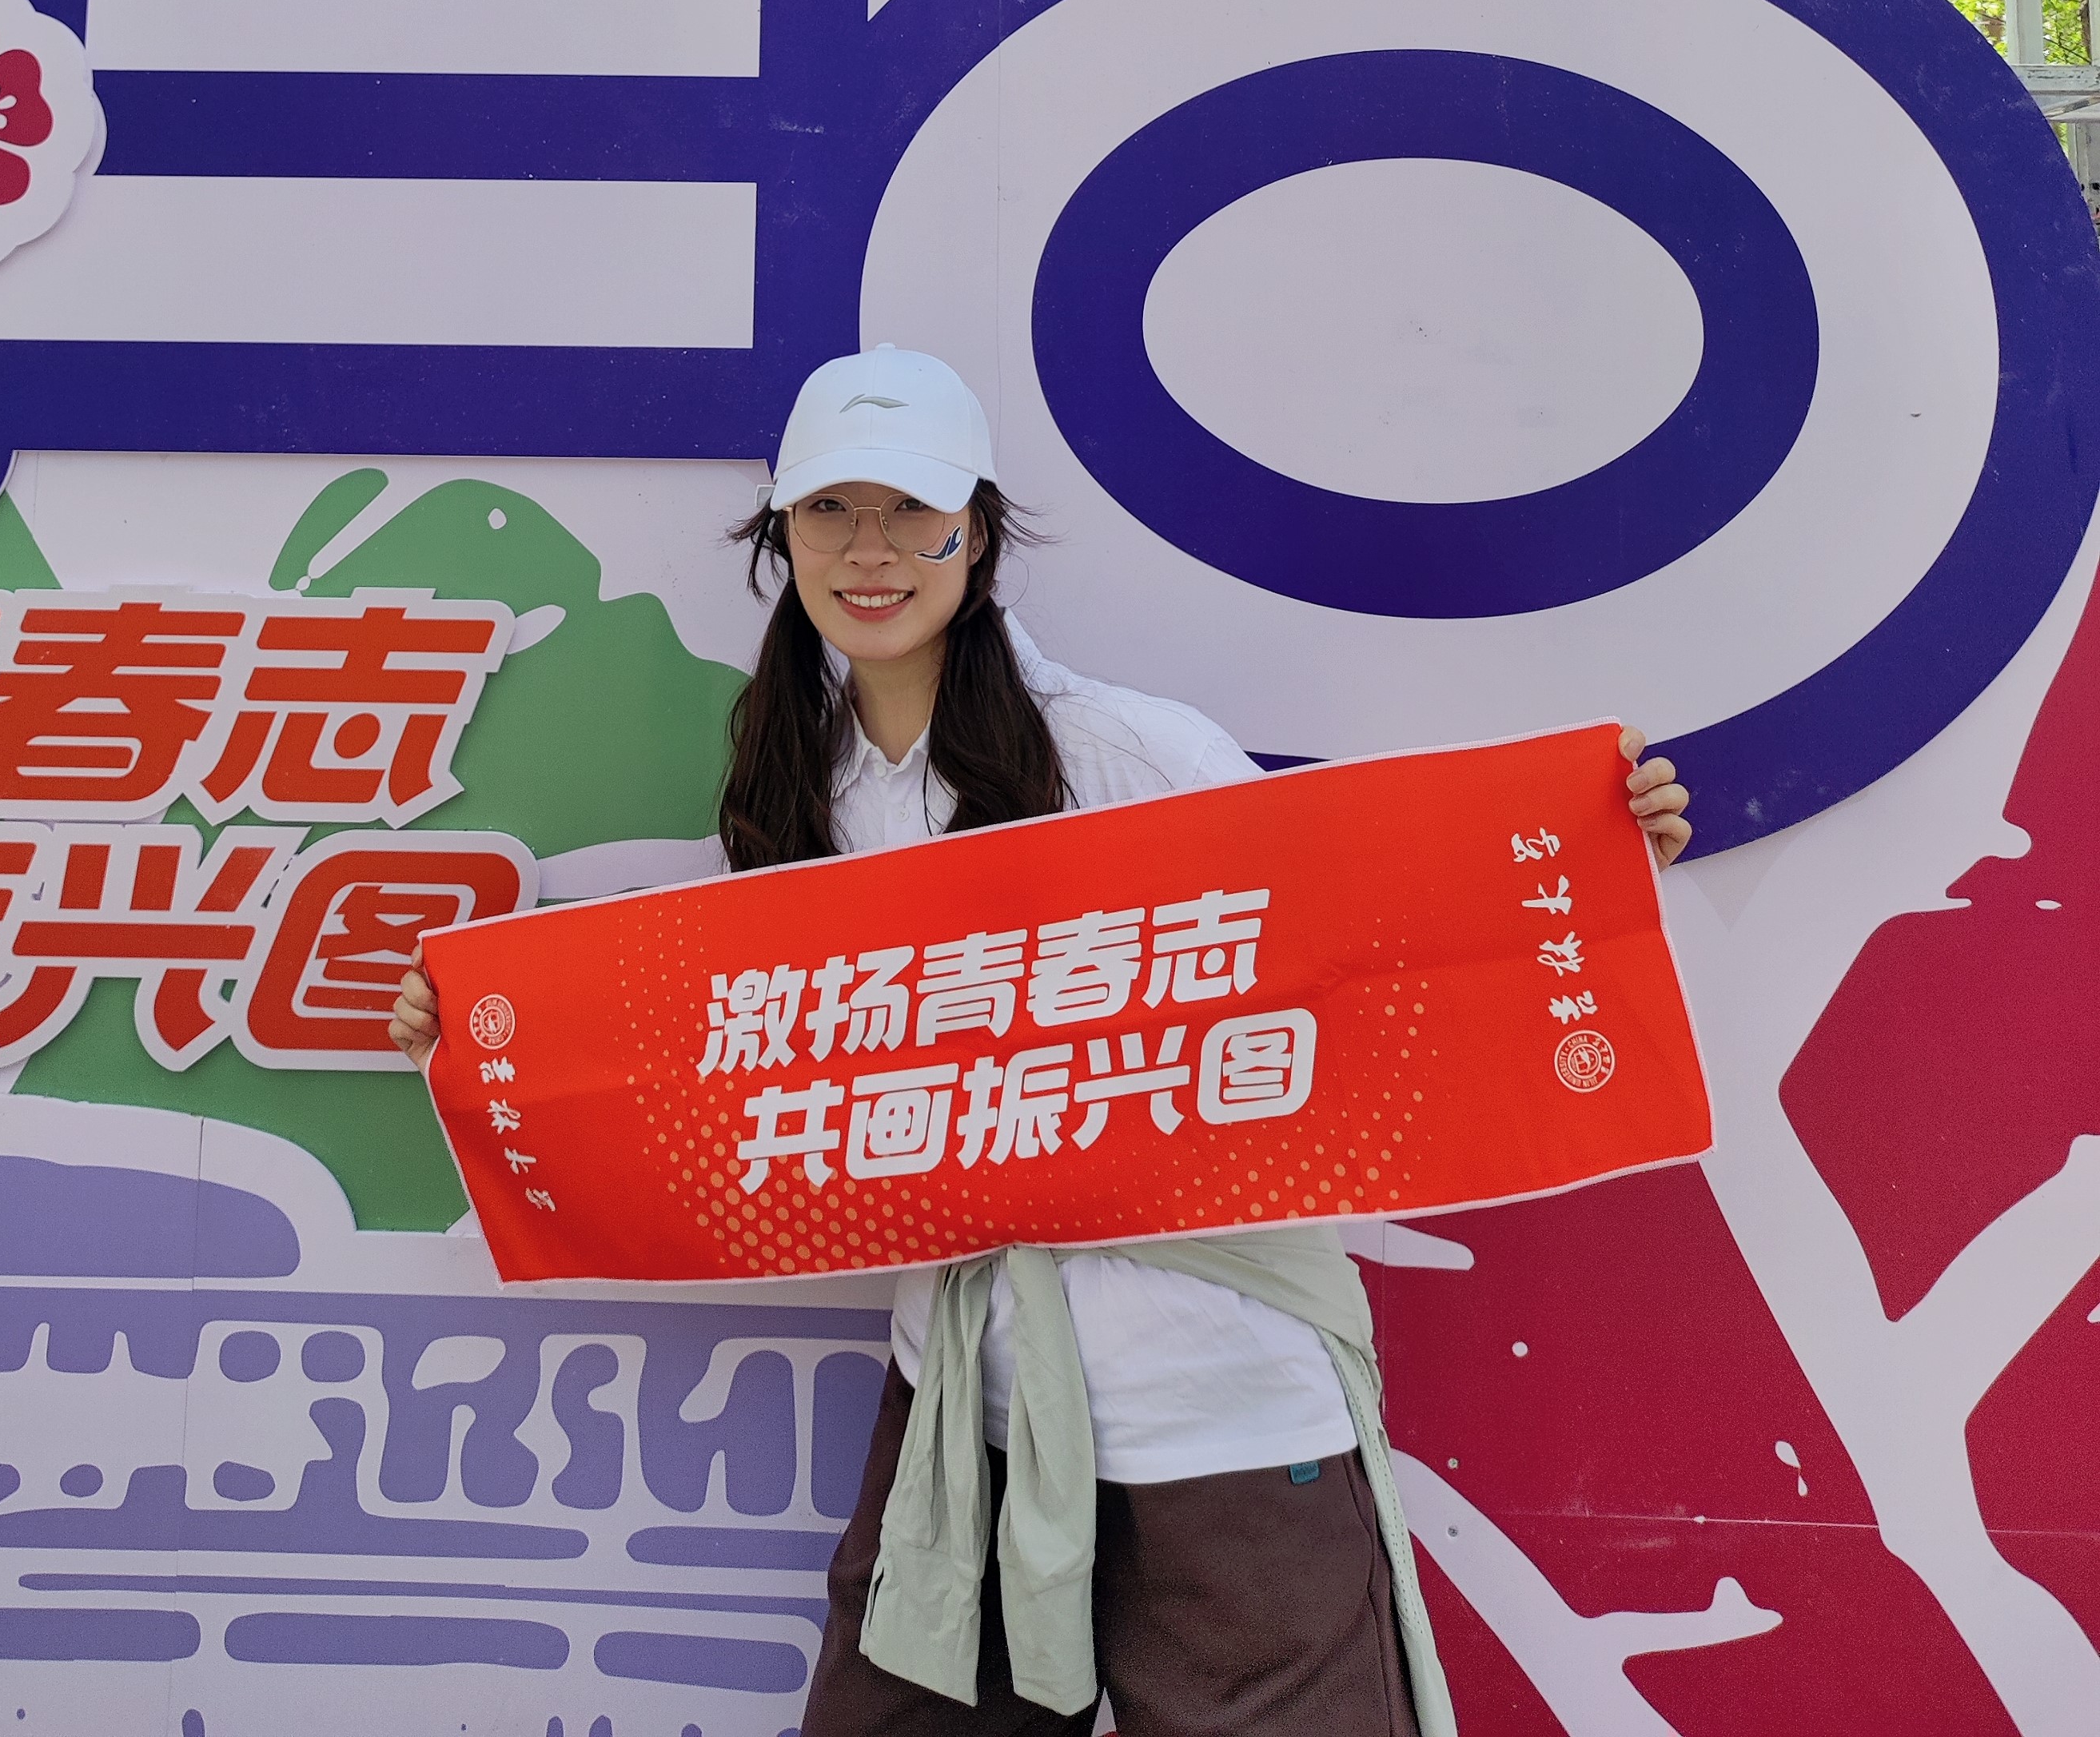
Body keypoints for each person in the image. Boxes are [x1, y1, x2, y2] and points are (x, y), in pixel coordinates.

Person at [390, 343, 1693, 1737]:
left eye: (912, 510)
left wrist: (1586, 855)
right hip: (975, 1401)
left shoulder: (1133, 756)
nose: (871, 550)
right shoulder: (799, 788)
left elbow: (1358, 952)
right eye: (831, 511)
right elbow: (708, 1061)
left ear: (979, 530)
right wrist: (481, 1040)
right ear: (782, 535)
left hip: (1222, 1399)